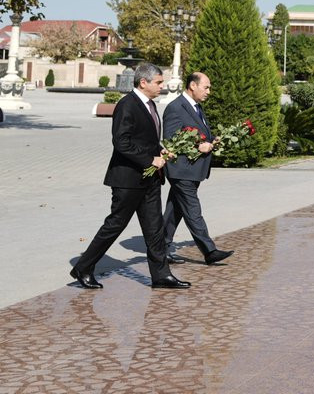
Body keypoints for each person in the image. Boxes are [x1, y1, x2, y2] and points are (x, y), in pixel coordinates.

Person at [70, 63, 190, 289]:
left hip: (150, 179)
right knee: (115, 224)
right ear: (143, 82)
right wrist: (150, 160)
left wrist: (160, 151)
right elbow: (121, 142)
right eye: (158, 82)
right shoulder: (127, 105)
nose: (162, 86)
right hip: (128, 180)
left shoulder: (150, 105)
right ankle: (83, 267)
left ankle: (161, 275)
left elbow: (145, 140)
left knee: (155, 229)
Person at [162, 72, 233, 265]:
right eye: (206, 87)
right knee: (192, 209)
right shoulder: (175, 108)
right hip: (181, 170)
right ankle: (209, 251)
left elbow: (199, 134)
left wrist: (212, 141)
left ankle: (160, 249)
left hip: (192, 170)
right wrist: (198, 146)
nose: (209, 91)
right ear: (193, 85)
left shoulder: (196, 107)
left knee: (174, 211)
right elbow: (170, 140)